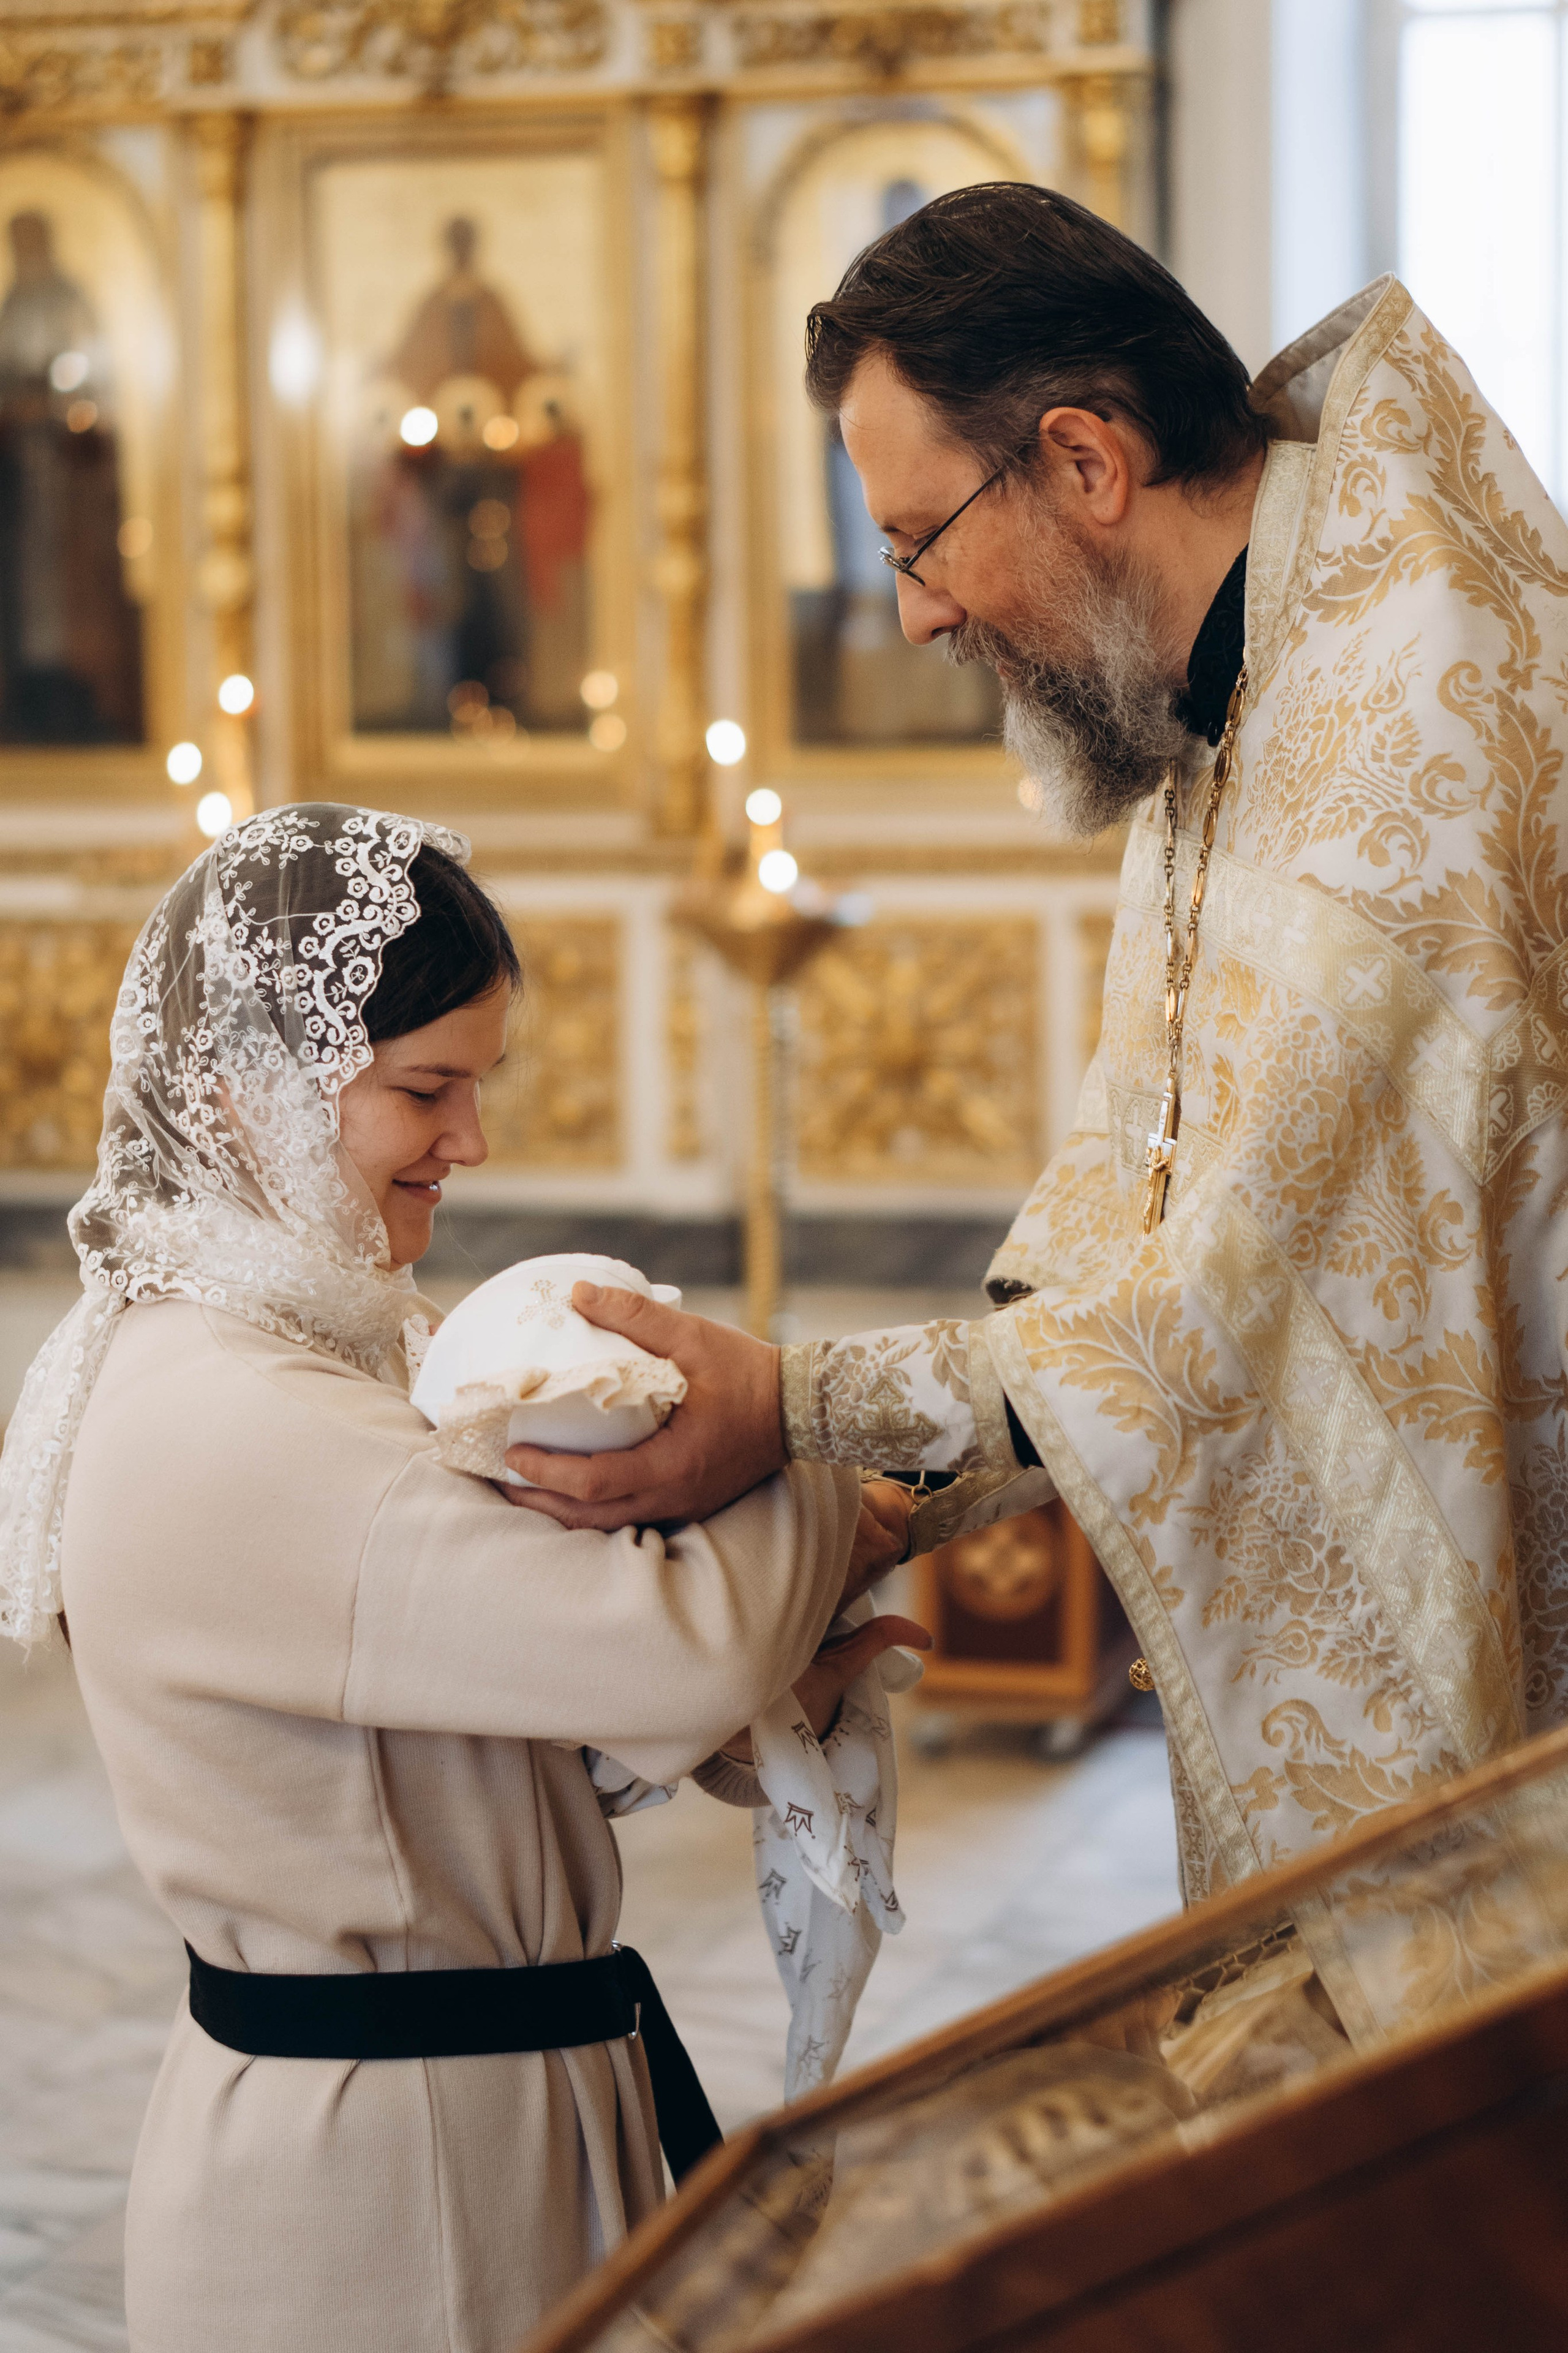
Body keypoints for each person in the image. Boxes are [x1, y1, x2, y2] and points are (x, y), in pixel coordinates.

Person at [505, 184, 1568, 2030]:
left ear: (1081, 460)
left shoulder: (1409, 714)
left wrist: (793, 1402)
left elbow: (1240, 1301)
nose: (915, 613)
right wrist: (882, 1482)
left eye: (922, 541)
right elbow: (1127, 1195)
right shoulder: (1241, 676)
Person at [0, 804, 916, 2353]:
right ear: (246, 1100)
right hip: (382, 2197)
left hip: (467, 2123)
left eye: (475, 1084)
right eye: (425, 1087)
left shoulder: (292, 1347)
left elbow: (428, 1745)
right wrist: (805, 1444)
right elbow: (665, 1646)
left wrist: (734, 1713)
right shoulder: (230, 1412)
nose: (471, 1141)